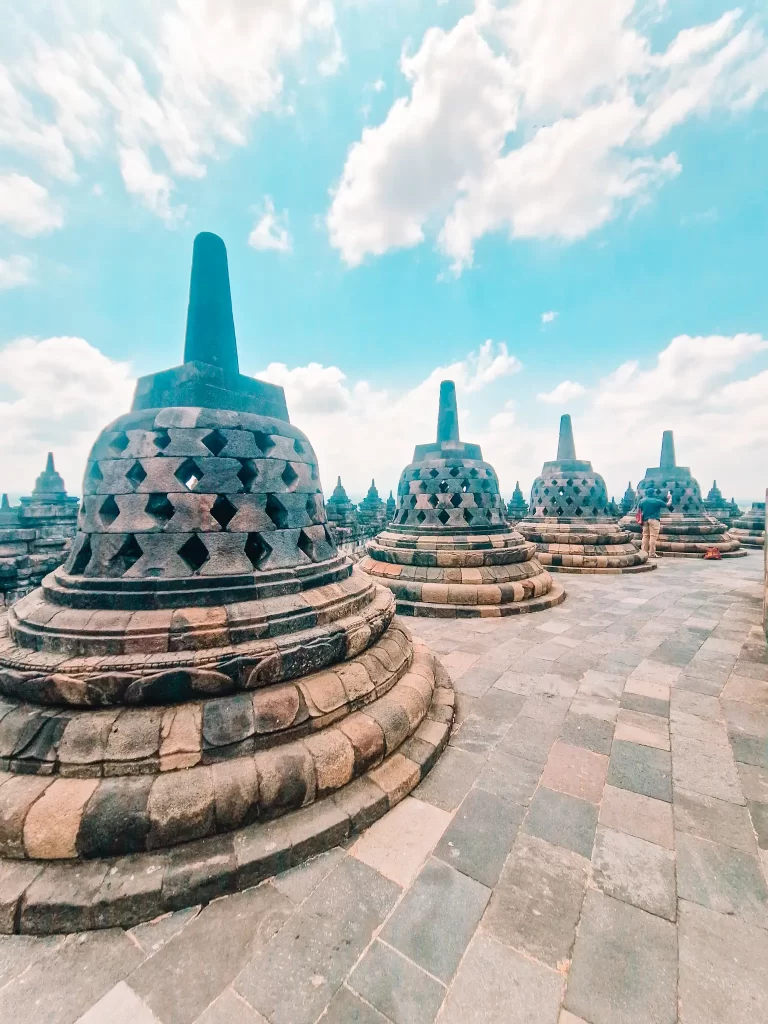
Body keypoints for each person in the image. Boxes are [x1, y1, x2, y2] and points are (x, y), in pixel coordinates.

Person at [638, 489, 673, 558]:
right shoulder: (656, 501)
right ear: (653, 493)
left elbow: (639, 510)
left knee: (645, 536)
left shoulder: (642, 501)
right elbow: (668, 505)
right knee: (653, 537)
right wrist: (670, 498)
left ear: (647, 493)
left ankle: (644, 552)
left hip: (645, 520)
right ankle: (652, 553)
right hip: (654, 520)